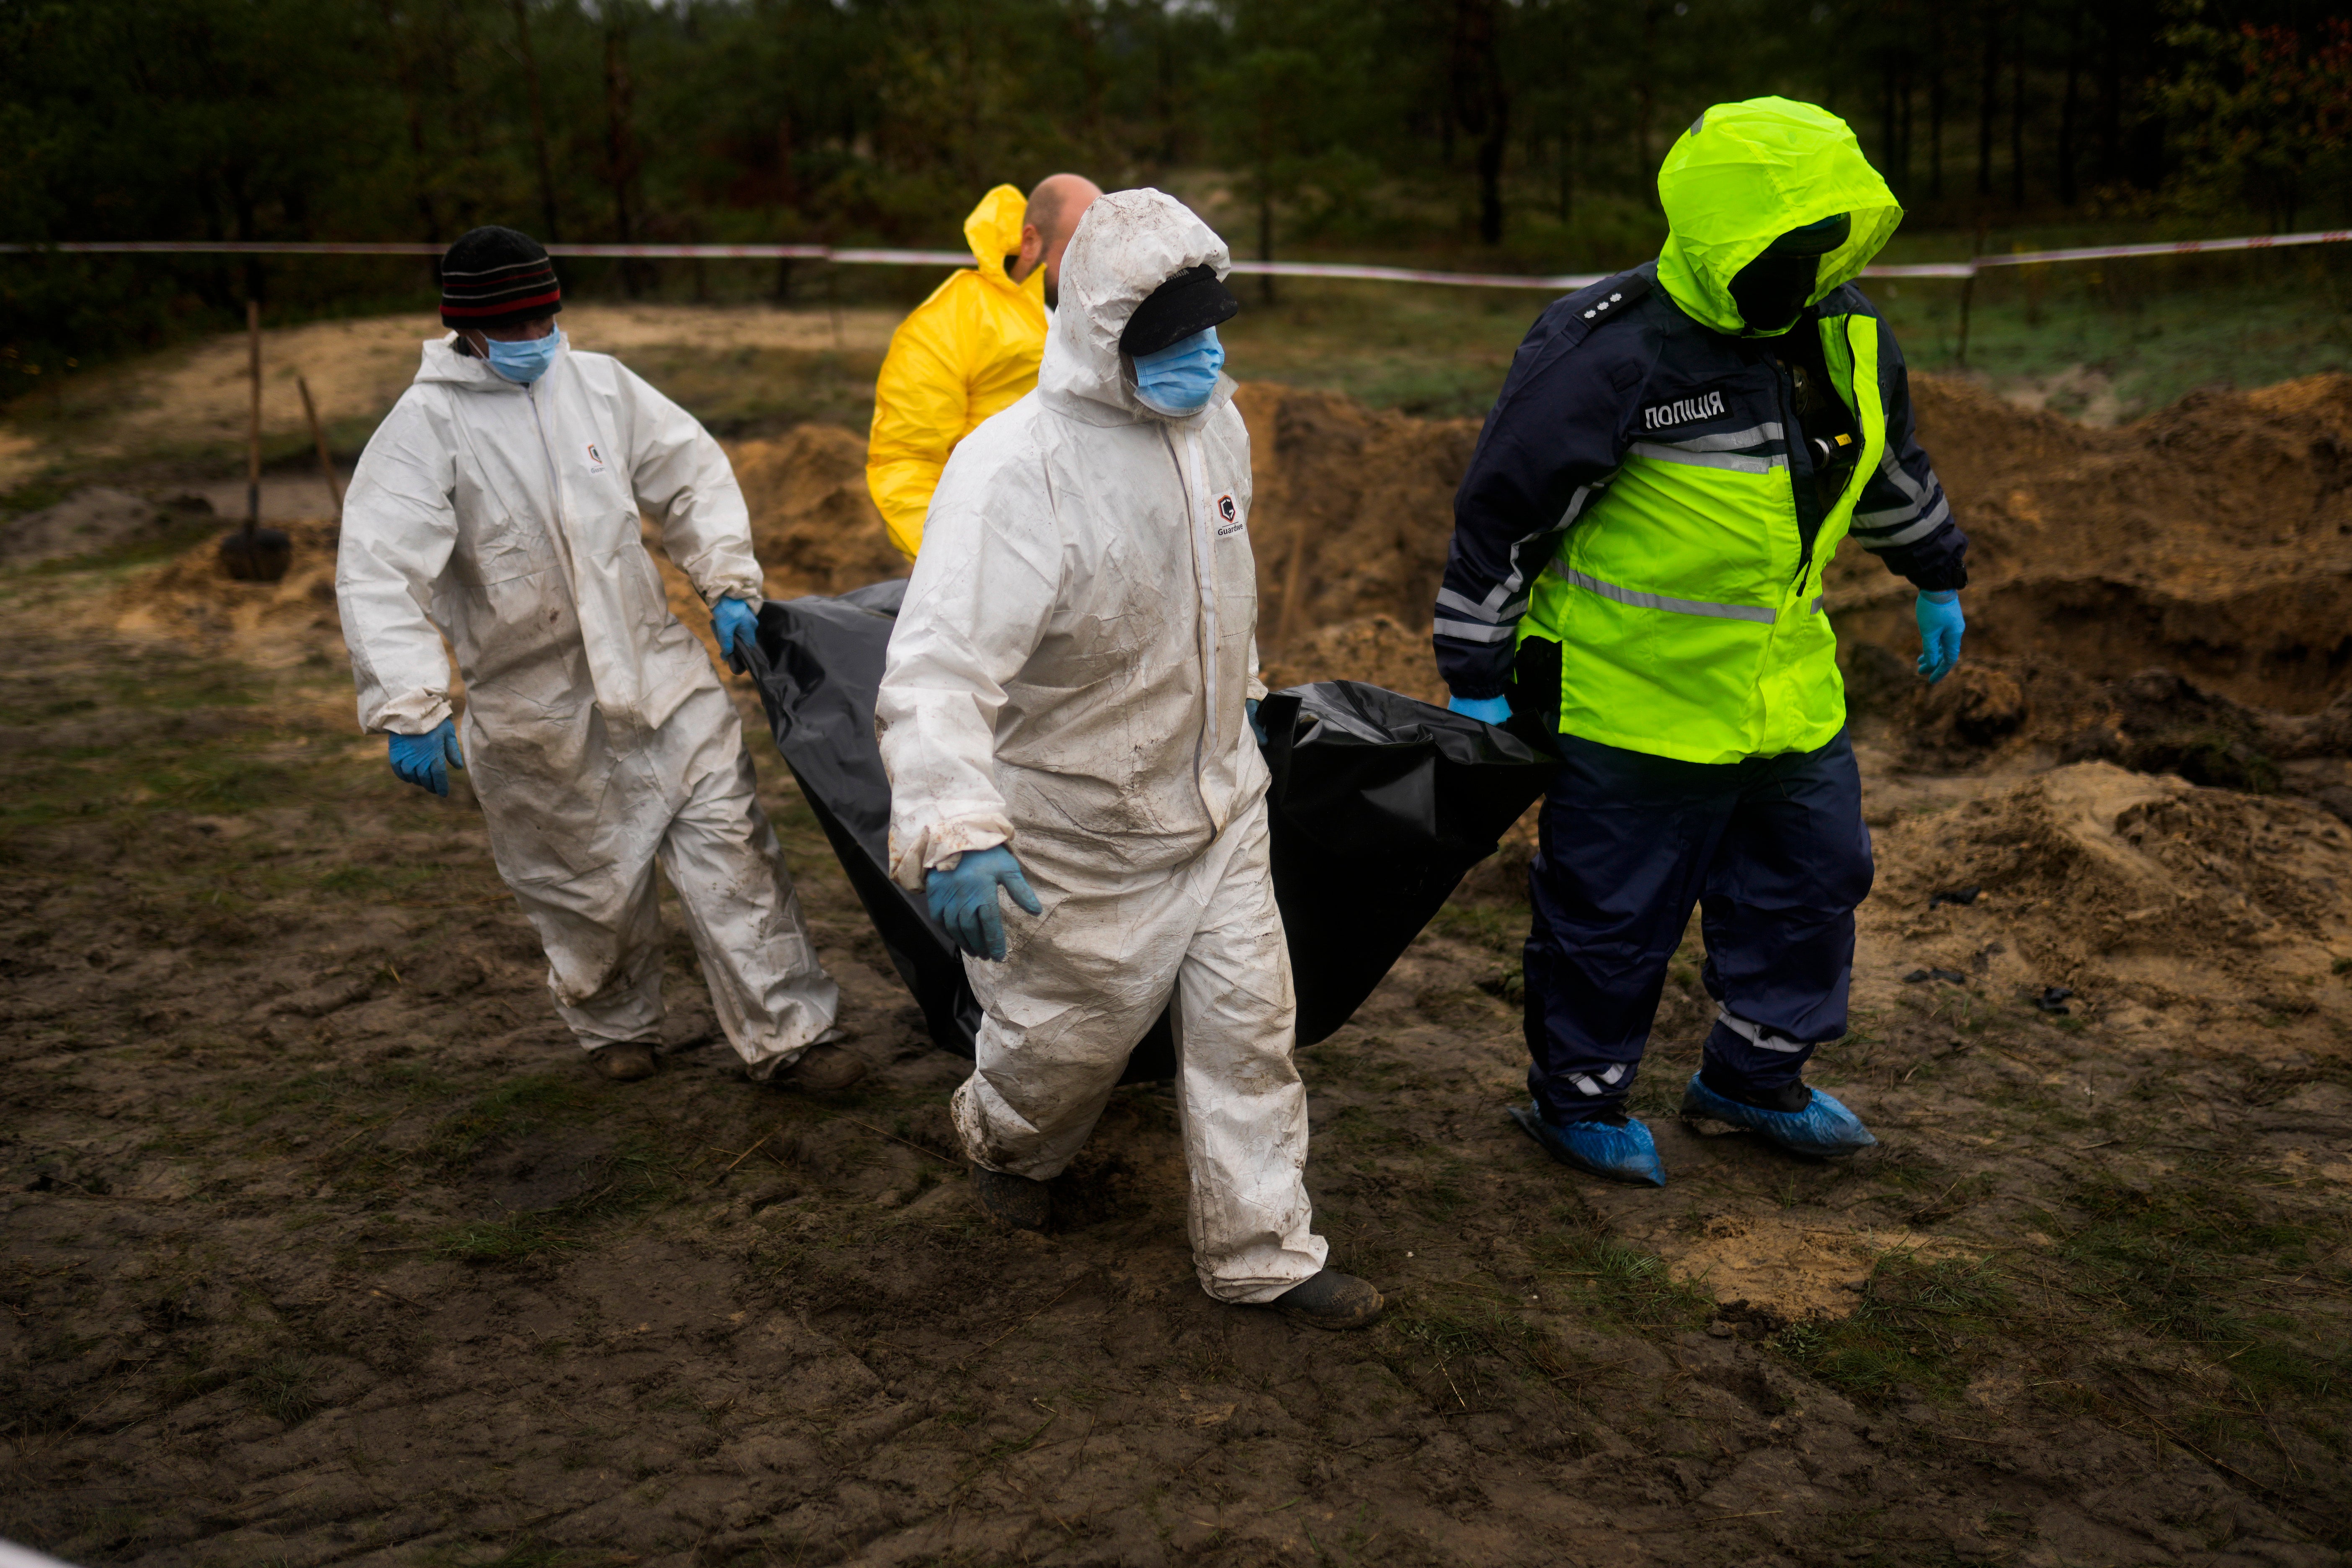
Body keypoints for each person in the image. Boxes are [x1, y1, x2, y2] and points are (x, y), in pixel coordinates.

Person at [1432, 98, 1969, 1186]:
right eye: (1789, 243)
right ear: (1728, 239)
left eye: (1831, 237)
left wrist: (1936, 571)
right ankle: (1575, 1099)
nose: (1814, 263)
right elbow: (1504, 514)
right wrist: (1476, 679)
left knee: (1813, 886)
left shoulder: (1846, 331)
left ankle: (1755, 1078)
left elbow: (1887, 463)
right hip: (1631, 705)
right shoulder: (1611, 352)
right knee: (1611, 919)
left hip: (1784, 693)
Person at [874, 189, 1382, 1331]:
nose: (1202, 358)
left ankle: (1264, 1253)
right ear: (1102, 332)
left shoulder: (1217, 426)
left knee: (1254, 1038)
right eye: (1173, 340)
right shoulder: (1013, 472)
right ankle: (1004, 1137)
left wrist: (1241, 705)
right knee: (1066, 1051)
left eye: (1214, 331)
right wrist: (956, 826)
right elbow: (940, 668)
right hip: (1082, 833)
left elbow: (1222, 596)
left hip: (1218, 810)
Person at [337, 224, 861, 1091]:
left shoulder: (603, 388)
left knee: (734, 854)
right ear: (465, 328)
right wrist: (410, 703)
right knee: (585, 889)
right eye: (513, 328)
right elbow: (377, 569)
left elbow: (690, 472)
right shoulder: (425, 429)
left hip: (658, 676)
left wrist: (726, 580)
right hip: (535, 708)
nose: (534, 340)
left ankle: (791, 1035)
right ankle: (614, 1019)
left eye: (544, 318)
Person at [865, 173, 1103, 560]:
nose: (1090, 273)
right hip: (987, 557)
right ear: (1031, 242)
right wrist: (952, 564)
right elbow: (905, 461)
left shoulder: (1102, 322)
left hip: (1087, 565)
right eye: (1075, 254)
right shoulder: (952, 321)